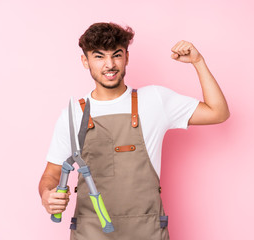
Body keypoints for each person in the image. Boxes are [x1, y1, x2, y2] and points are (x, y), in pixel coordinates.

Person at [39, 22, 229, 240]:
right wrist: (47, 194)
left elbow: (218, 112)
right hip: (90, 233)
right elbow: (51, 174)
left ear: (126, 57)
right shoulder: (73, 114)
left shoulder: (155, 100)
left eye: (116, 55)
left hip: (147, 231)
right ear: (85, 61)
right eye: (99, 56)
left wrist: (198, 62)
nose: (109, 64)